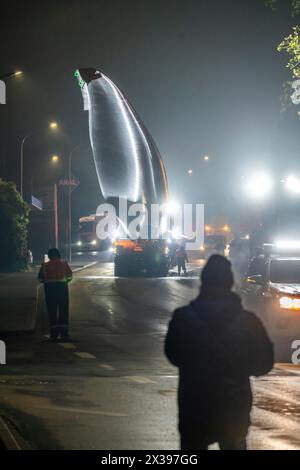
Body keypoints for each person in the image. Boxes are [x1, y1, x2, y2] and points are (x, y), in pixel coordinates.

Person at [165, 254, 274, 450]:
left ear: (204, 282)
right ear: (230, 282)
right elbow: (264, 363)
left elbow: (173, 354)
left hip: (194, 405)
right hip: (234, 407)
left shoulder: (183, 318)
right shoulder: (248, 322)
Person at [38, 248, 73, 342]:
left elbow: (40, 278)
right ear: (58, 255)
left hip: (50, 290)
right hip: (62, 289)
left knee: (52, 311)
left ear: (49, 256)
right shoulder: (64, 264)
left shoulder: (45, 266)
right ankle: (64, 334)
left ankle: (54, 334)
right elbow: (70, 276)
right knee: (63, 311)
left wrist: (47, 282)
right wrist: (65, 282)